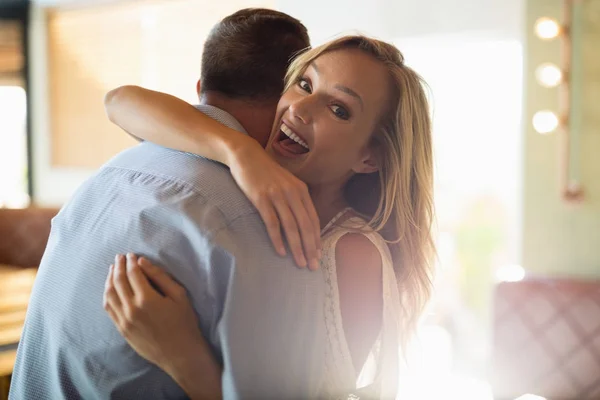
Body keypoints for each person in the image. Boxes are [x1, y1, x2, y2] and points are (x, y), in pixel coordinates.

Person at [9, 9, 322, 400]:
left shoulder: (116, 169)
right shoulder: (264, 225)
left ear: (199, 86)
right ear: (285, 97)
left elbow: (119, 100)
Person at [102, 35, 436, 399]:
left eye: (338, 109)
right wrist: (238, 151)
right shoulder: (245, 178)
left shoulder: (352, 251)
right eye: (304, 84)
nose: (301, 109)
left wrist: (180, 354)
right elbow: (119, 102)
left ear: (370, 157)